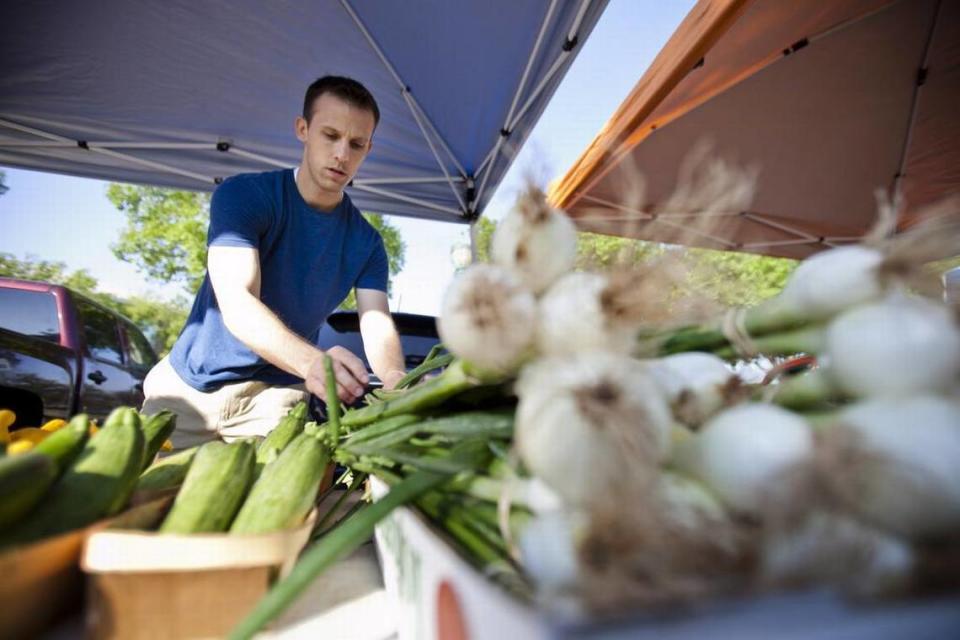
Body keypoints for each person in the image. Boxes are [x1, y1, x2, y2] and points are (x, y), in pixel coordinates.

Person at [142, 76, 406, 449]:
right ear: (303, 129)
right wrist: (314, 363)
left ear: (368, 149)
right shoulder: (245, 195)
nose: (342, 155)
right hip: (189, 388)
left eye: (356, 144)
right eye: (330, 135)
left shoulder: (367, 243)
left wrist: (398, 381)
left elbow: (376, 323)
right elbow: (237, 300)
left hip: (276, 400)